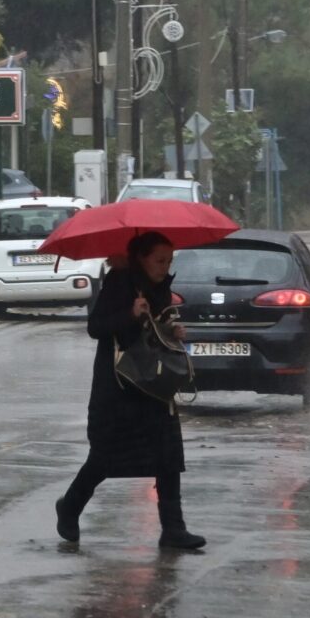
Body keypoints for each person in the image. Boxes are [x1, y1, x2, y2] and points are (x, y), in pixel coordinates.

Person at [55, 231, 206, 550]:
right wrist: (129, 314)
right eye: (159, 260)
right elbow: (96, 327)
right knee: (105, 457)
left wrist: (171, 329)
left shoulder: (159, 287)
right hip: (120, 386)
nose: (166, 267)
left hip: (154, 384)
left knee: (167, 455)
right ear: (141, 257)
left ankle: (173, 529)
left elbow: (156, 330)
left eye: (169, 260)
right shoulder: (119, 282)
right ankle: (69, 508)